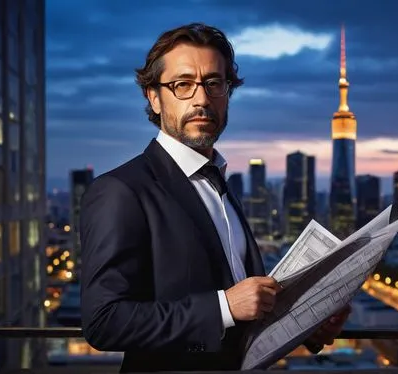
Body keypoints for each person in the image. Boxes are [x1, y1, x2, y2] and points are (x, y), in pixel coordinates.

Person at [79, 22, 351, 372]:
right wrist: (223, 306)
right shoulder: (121, 190)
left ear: (227, 92)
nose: (202, 99)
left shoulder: (221, 186)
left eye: (214, 83)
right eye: (183, 85)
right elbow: (104, 321)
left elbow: (244, 312)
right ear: (154, 97)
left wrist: (309, 326)